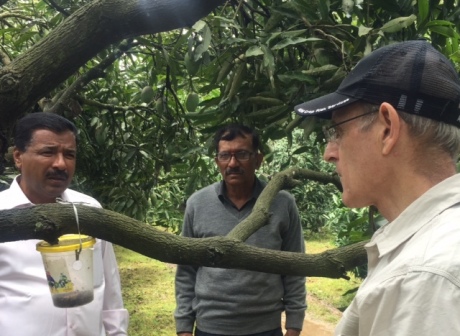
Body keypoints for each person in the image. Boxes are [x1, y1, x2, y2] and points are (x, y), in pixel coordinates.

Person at [295, 40, 460, 335]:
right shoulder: (435, 245)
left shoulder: (422, 278)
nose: (329, 152)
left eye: (337, 131)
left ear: (387, 128)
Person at [0, 112, 129, 335]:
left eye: (69, 154)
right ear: (18, 157)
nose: (61, 164)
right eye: (48, 152)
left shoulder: (90, 211)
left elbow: (110, 294)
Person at [174, 124, 307, 336]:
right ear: (217, 161)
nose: (233, 163)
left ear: (258, 159)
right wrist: (183, 328)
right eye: (225, 155)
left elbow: (295, 267)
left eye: (242, 154)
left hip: (265, 328)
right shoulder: (197, 204)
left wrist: (294, 326)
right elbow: (186, 271)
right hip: (210, 328)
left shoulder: (283, 203)